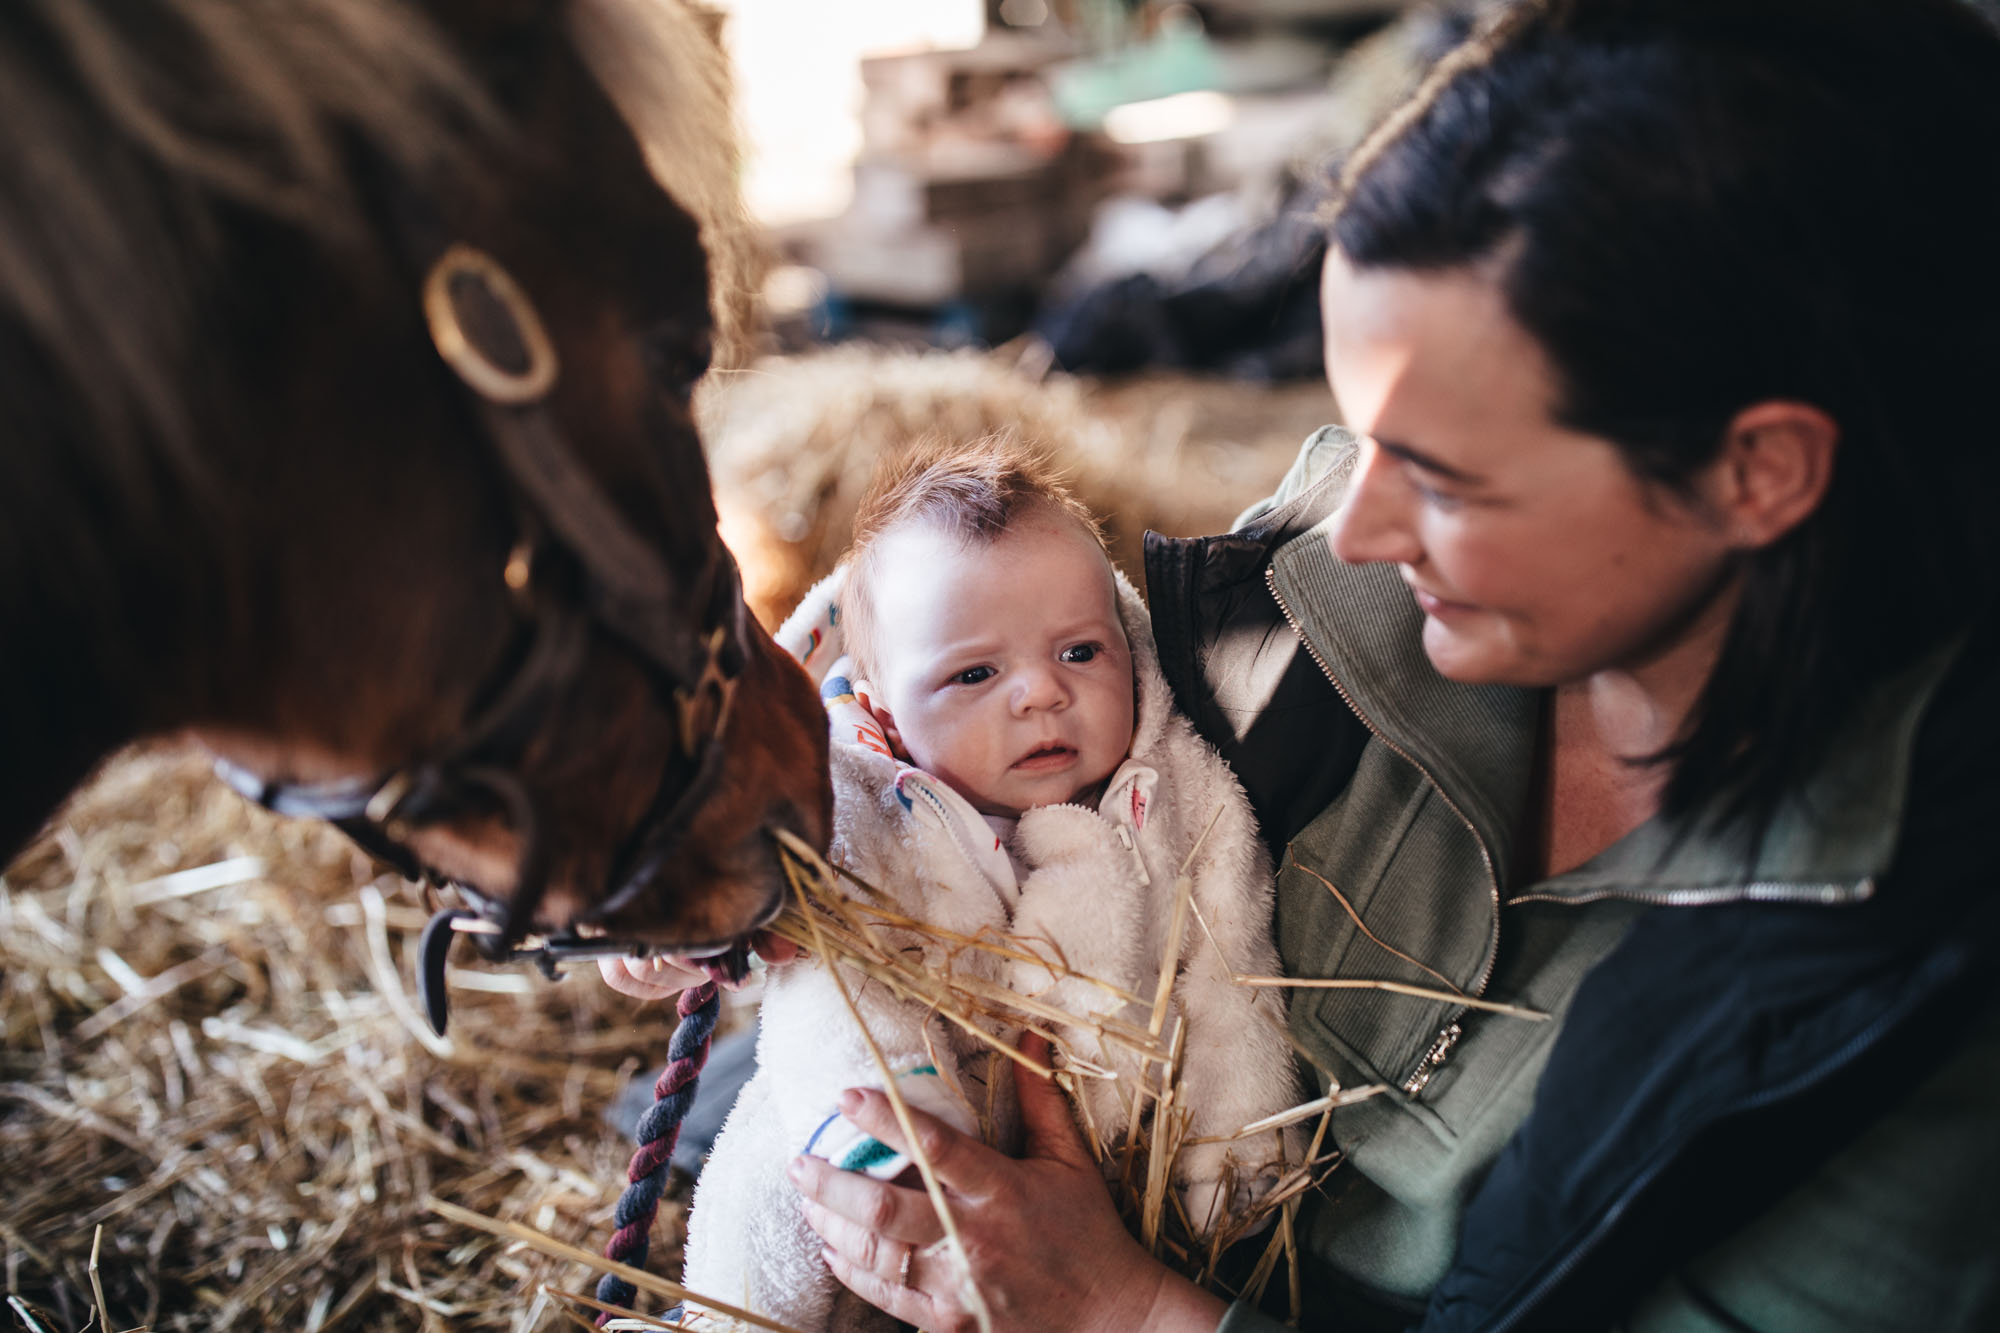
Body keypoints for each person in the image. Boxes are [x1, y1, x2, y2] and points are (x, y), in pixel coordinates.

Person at [779, 1, 2000, 1330]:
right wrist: (806, 799)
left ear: (1755, 471)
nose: (1354, 529)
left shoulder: (1903, 1008)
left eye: (1446, 476)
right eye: (1360, 439)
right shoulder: (1333, 602)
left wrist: (1120, 1312)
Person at [657, 438, 1301, 1330]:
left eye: (1080, 652)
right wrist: (676, 936)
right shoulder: (847, 802)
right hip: (875, 1186)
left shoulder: (1179, 798)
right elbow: (737, 899)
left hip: (1112, 1205)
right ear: (881, 700)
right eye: (973, 674)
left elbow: (1234, 971)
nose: (1040, 693)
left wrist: (1241, 1166)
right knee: (771, 1263)